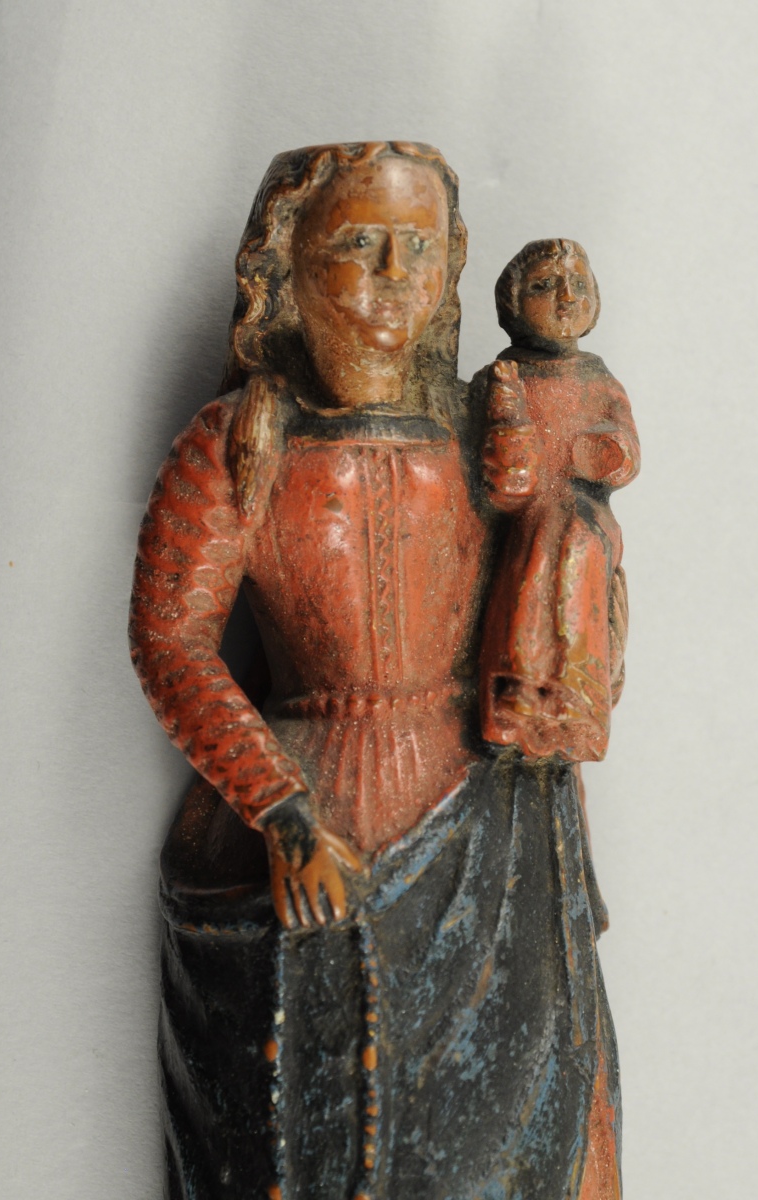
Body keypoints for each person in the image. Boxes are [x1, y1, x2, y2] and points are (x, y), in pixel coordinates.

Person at [130, 148, 621, 1199]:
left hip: (493, 825)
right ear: (285, 265)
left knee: (520, 1141)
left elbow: (564, 574)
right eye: (360, 243)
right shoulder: (239, 442)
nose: (397, 275)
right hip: (313, 826)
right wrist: (280, 811)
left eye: (420, 247)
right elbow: (171, 640)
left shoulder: (483, 429)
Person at [479, 239, 640, 763]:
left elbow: (627, 454)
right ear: (512, 304)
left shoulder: (598, 379)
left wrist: (604, 454)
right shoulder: (500, 378)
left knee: (571, 536)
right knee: (541, 535)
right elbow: (488, 473)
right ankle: (520, 687)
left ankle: (571, 694)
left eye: (579, 285)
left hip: (587, 517)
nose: (566, 297)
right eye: (545, 285)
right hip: (516, 521)